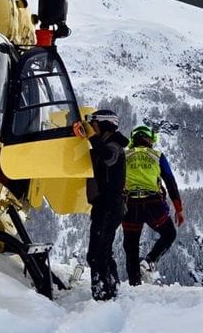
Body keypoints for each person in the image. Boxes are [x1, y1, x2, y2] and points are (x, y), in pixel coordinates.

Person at [122, 124, 185, 286]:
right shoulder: (157, 155)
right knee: (169, 234)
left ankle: (134, 284)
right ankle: (149, 261)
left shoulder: (124, 155)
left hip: (130, 205)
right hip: (153, 204)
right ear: (150, 139)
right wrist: (178, 209)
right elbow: (170, 182)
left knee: (131, 247)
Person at [84, 109, 128, 301]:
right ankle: (112, 290)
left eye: (93, 126)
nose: (91, 129)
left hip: (109, 206)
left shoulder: (114, 145)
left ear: (104, 125)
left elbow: (109, 157)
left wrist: (92, 138)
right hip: (106, 206)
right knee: (103, 252)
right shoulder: (107, 144)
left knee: (97, 254)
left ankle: (104, 296)